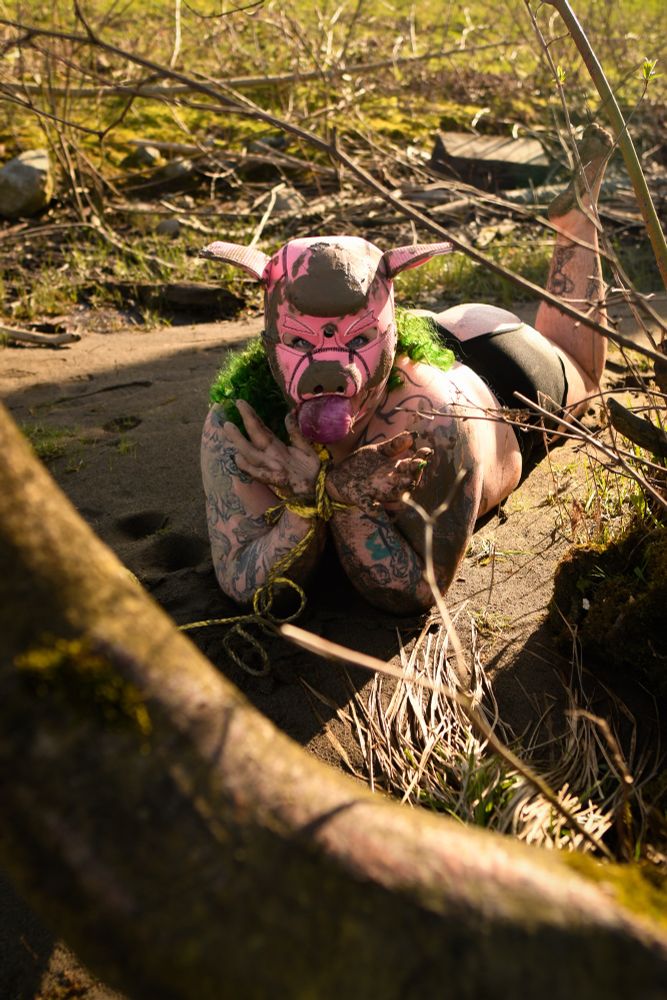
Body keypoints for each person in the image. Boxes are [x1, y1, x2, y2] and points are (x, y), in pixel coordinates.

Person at [200, 125, 612, 615]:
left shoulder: (434, 416)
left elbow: (417, 590)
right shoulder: (241, 423)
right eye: (297, 340)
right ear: (270, 339)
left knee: (584, 380)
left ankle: (575, 223)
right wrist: (306, 504)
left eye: (358, 339)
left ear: (387, 333)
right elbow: (243, 581)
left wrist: (346, 501)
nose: (329, 369)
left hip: (495, 371)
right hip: (408, 336)